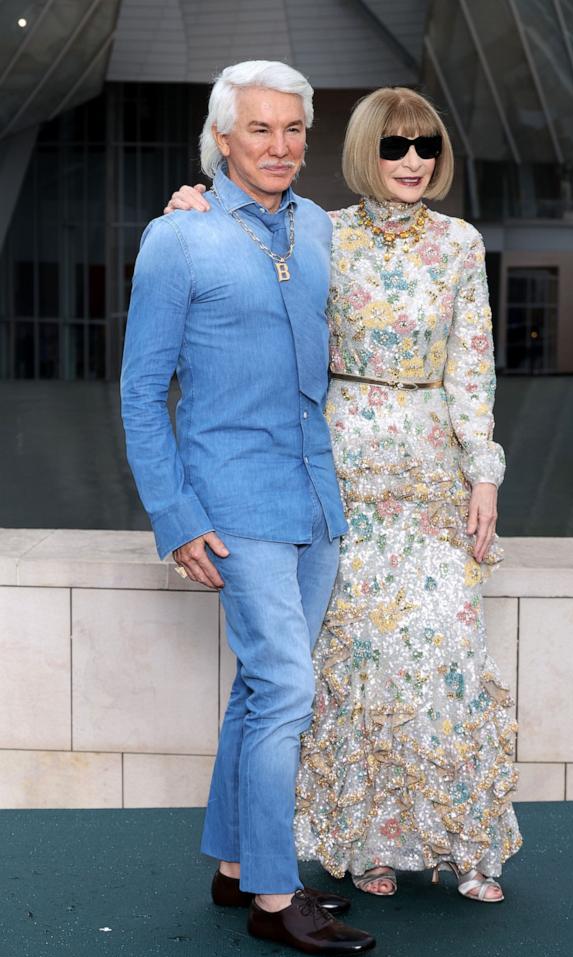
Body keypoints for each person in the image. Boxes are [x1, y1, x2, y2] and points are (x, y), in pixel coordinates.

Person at [167, 86, 522, 902]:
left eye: (425, 145)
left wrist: (484, 473)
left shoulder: (460, 244)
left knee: (444, 657)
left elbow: (472, 368)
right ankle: (368, 847)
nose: (411, 161)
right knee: (353, 665)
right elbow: (237, 257)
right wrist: (191, 204)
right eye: (393, 146)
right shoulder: (319, 231)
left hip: (432, 470)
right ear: (366, 150)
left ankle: (466, 845)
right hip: (338, 470)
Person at [121, 60, 375, 956]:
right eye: (260, 129)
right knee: (288, 691)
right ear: (222, 139)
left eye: (294, 129)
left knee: (264, 689)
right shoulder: (177, 238)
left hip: (315, 497)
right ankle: (275, 893)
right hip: (232, 504)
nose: (280, 146)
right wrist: (175, 514)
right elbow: (142, 393)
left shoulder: (316, 227)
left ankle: (232, 868)